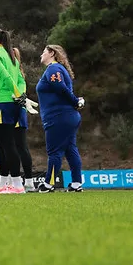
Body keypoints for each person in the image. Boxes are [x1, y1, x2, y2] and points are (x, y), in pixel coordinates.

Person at [36, 45, 85, 193]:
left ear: (51, 53)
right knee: (70, 149)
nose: (41, 55)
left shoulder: (53, 69)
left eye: (43, 52)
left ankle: (48, 184)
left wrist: (75, 101)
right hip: (68, 116)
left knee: (54, 151)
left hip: (58, 117)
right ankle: (76, 183)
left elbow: (60, 88)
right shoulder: (57, 69)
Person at [0, 28, 25, 194]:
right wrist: (21, 95)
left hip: (1, 102)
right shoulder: (11, 55)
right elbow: (21, 79)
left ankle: (17, 185)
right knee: (2, 144)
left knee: (7, 144)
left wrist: (16, 94)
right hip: (13, 103)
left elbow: (4, 76)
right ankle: (2, 183)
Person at [13, 48, 36, 192]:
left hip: (16, 112)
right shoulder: (18, 74)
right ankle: (19, 180)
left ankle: (27, 181)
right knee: (16, 146)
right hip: (16, 111)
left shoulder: (17, 75)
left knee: (20, 146)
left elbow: (19, 93)